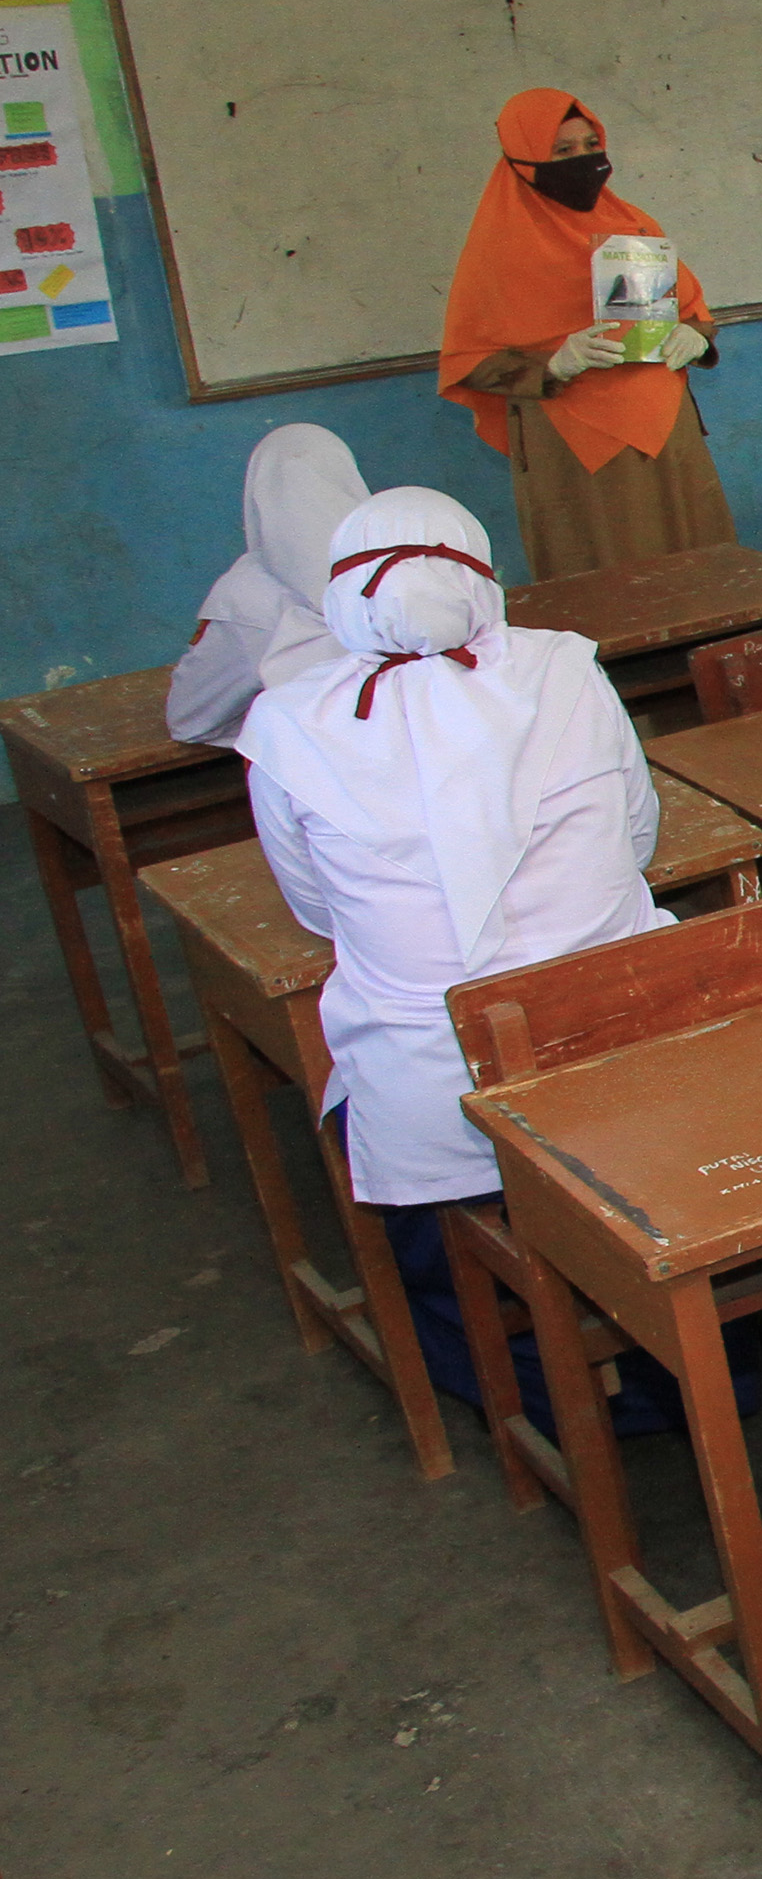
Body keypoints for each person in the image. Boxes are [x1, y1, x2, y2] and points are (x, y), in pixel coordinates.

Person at [238, 487, 672, 1416]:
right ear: (483, 577)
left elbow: (316, 911)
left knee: (427, 1251)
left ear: (341, 597)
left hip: (444, 1094)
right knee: (647, 1161)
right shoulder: (567, 669)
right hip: (627, 1057)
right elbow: (637, 839)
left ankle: (538, 1403)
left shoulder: (287, 722)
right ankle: (689, 1375)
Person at [437, 88, 732, 581]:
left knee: (697, 560)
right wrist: (551, 365)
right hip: (571, 441)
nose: (585, 160)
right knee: (604, 570)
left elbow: (690, 308)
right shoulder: (497, 251)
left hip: (664, 427)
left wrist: (696, 336)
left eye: (592, 144)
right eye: (563, 151)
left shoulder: (632, 224)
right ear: (524, 159)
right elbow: (468, 362)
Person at [166, 423, 369, 747]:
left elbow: (189, 721)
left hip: (314, 779)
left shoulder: (250, 595)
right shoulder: (406, 575)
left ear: (259, 494)